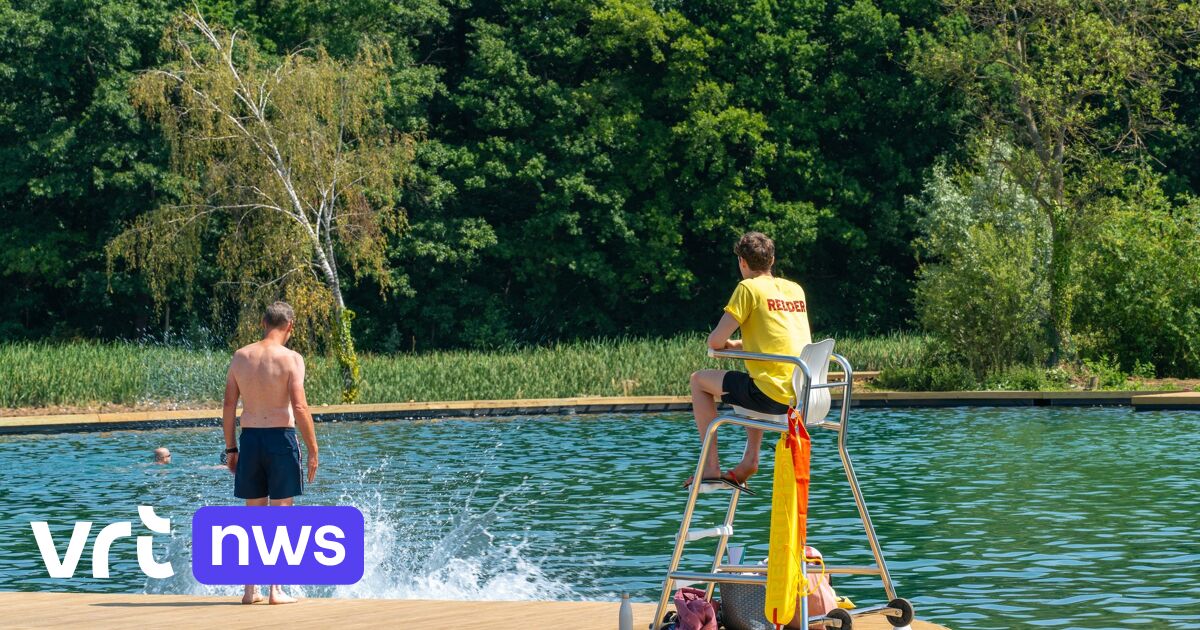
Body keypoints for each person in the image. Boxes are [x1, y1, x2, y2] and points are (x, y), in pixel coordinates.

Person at [684, 232, 812, 494]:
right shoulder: (795, 289)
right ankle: (749, 460)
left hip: (772, 397)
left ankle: (710, 467)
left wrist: (726, 344)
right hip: (803, 397)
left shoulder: (748, 288)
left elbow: (715, 341)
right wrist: (741, 345)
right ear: (772, 260)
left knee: (698, 381)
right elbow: (784, 340)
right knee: (754, 377)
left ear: (742, 262)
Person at [222, 301, 319, 605]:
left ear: (263, 322)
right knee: (280, 516)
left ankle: (250, 589)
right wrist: (313, 449)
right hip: (281, 439)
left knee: (254, 517)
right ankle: (276, 590)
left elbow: (228, 407)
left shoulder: (240, 357)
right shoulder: (291, 359)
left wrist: (231, 448)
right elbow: (300, 407)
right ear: (290, 326)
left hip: (249, 439)